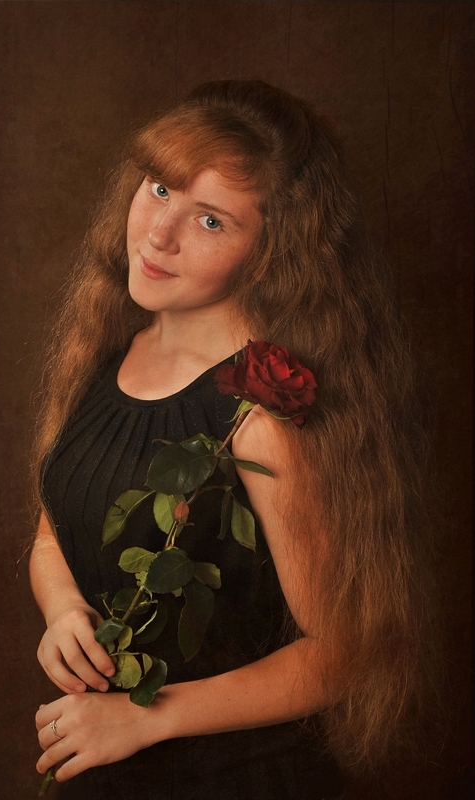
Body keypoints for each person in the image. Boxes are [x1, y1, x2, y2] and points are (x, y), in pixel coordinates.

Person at [30, 80, 439, 799]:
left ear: (273, 252)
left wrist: (145, 718)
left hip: (231, 776)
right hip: (107, 753)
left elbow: (343, 651)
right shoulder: (108, 352)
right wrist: (63, 609)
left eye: (211, 220)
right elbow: (51, 533)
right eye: (160, 189)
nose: (159, 233)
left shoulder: (264, 413)